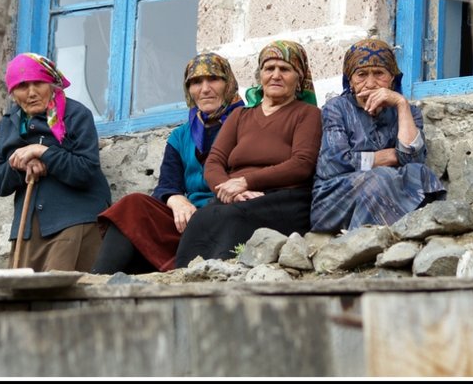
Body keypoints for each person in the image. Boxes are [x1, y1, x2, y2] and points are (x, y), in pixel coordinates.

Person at [91, 53, 244, 274]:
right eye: (196, 82)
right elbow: (166, 185)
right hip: (189, 218)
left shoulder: (247, 123)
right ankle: (99, 279)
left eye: (214, 79)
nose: (205, 89)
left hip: (227, 214)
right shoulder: (181, 136)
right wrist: (176, 199)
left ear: (228, 83)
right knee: (132, 205)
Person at [174, 39, 322, 266]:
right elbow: (214, 162)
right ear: (260, 75)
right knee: (202, 217)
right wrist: (228, 190)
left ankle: (226, 277)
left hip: (285, 198)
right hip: (237, 197)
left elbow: (302, 163)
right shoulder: (240, 116)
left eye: (285, 69)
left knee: (233, 216)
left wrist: (245, 182)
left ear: (299, 77)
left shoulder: (308, 114)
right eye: (268, 68)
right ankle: (189, 279)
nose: (275, 75)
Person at [0, 52, 111, 272]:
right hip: (27, 231)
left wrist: (44, 152)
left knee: (63, 297)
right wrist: (20, 165)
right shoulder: (9, 125)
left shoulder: (75, 115)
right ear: (13, 92)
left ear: (52, 83)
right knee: (23, 299)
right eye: (22, 86)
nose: (32, 93)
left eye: (38, 83)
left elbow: (86, 170)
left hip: (73, 222)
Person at [310, 38, 446, 233]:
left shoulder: (408, 112)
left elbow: (414, 159)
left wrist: (401, 104)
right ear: (350, 80)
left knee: (421, 174)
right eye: (361, 75)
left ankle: (408, 233)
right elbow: (333, 164)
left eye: (379, 74)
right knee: (381, 176)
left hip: (384, 187)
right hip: (333, 200)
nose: (370, 83)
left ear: (392, 78)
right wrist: (388, 156)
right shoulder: (336, 108)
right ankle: (362, 242)